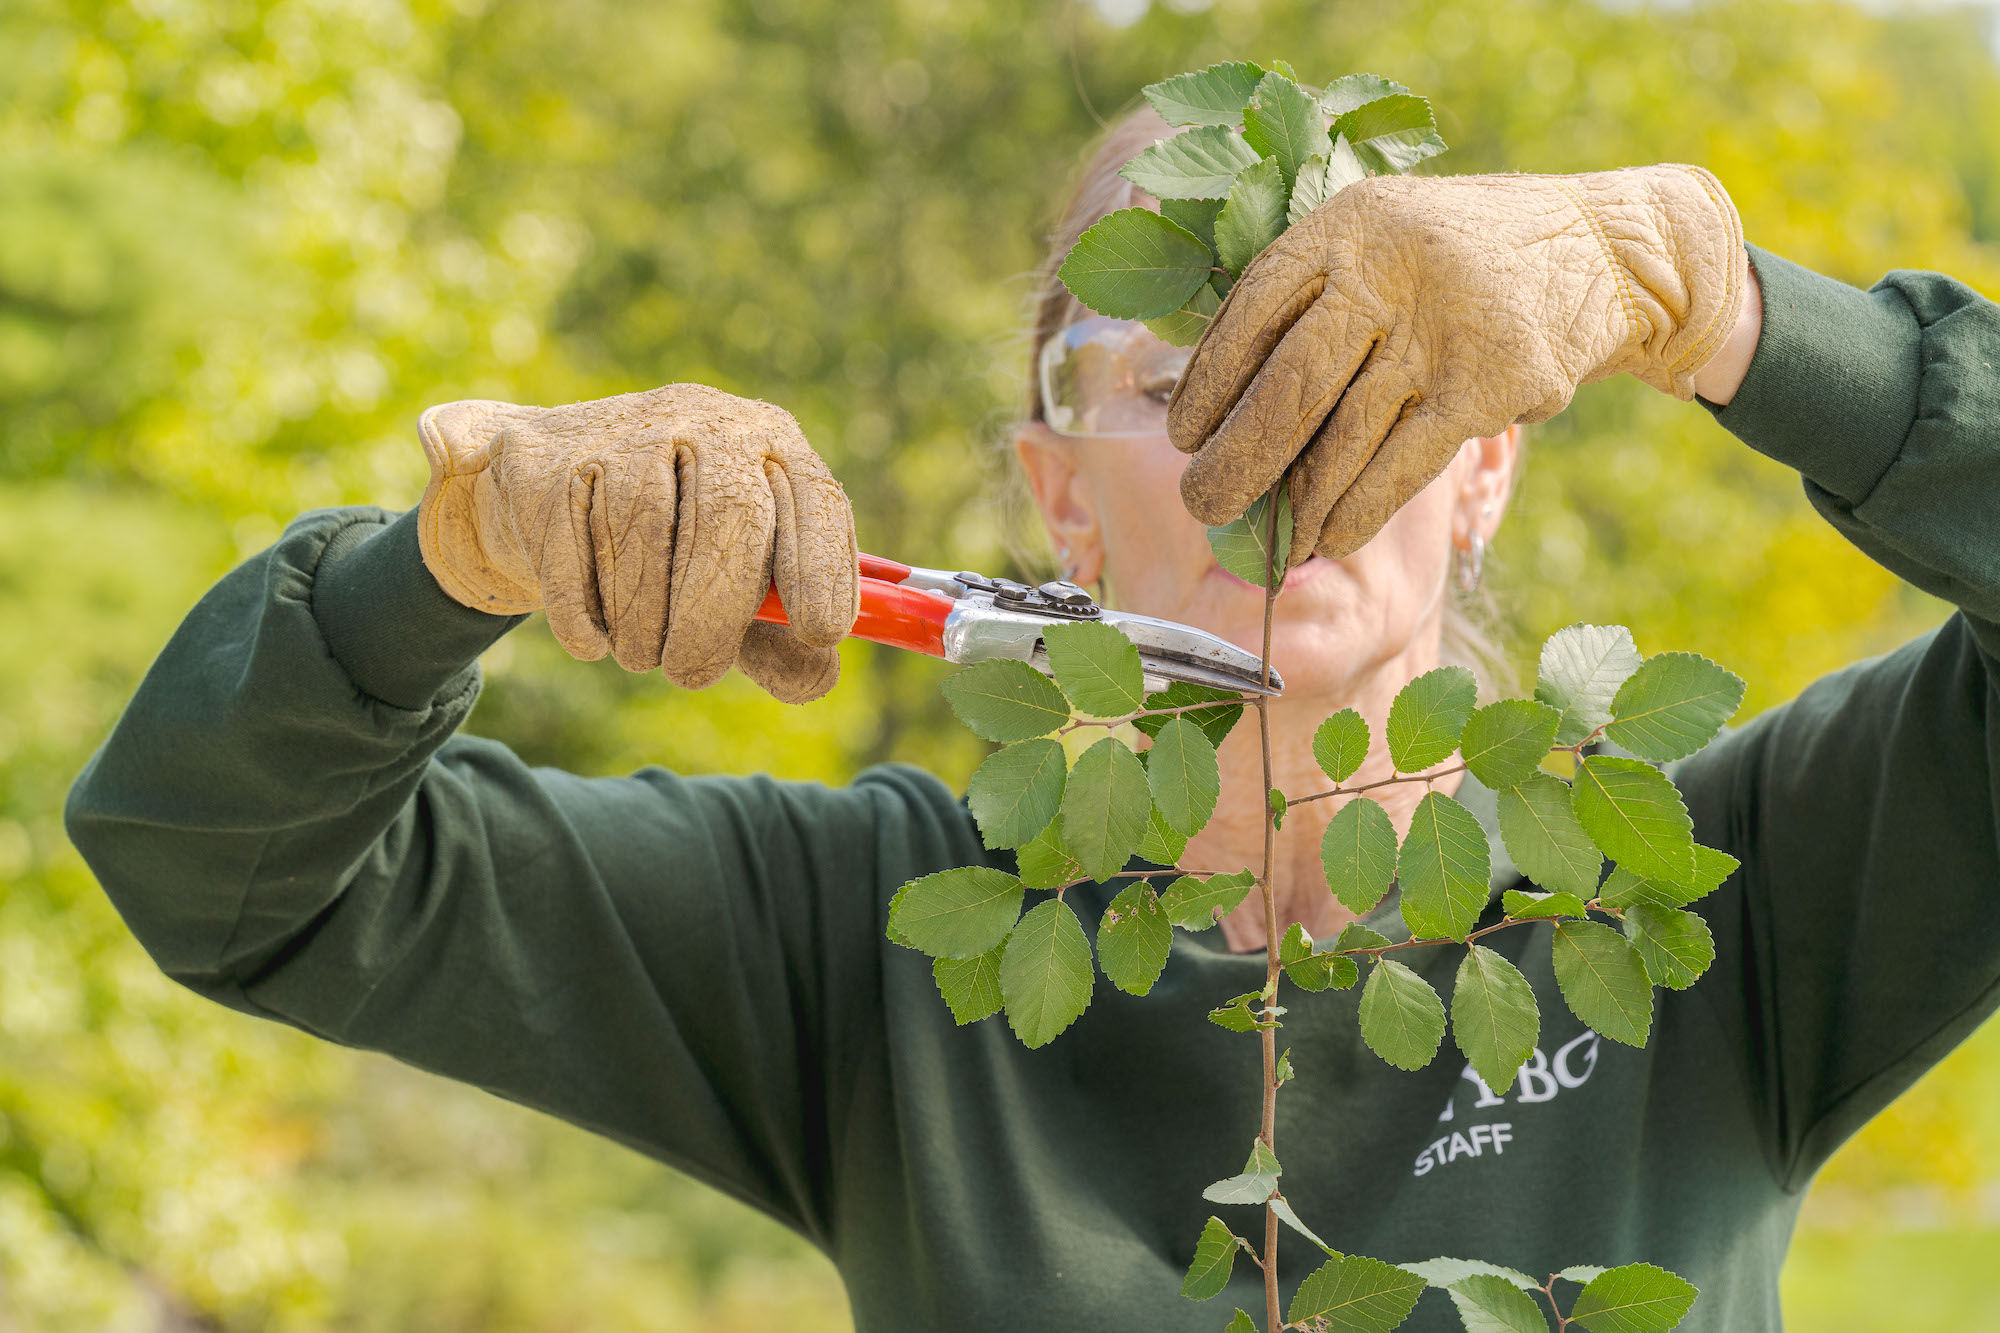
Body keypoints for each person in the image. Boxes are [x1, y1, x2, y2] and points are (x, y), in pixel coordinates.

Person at [65, 97, 2000, 1331]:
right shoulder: (867, 941)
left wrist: (1716, 297)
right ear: (1057, 484)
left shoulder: (1716, 898)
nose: (1267, 451)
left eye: (1355, 364)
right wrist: (451, 560)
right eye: (1177, 375)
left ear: (1489, 455)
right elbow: (228, 870)